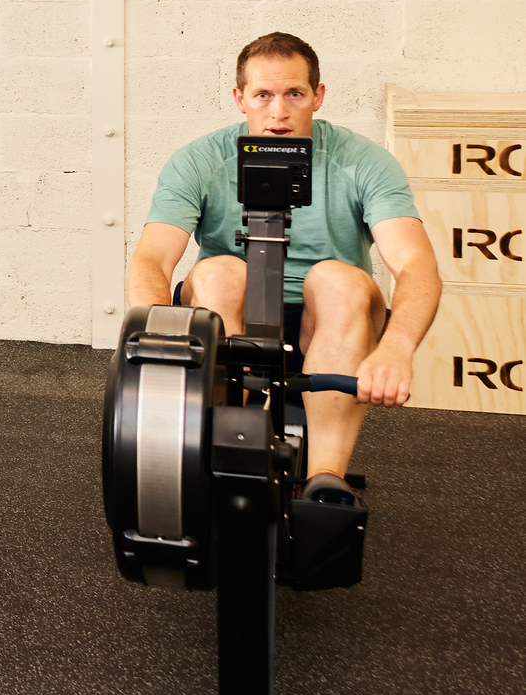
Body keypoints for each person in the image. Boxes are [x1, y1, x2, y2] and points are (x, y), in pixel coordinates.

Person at [126, 31, 436, 500]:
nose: (278, 111)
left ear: (318, 96)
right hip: (229, 313)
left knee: (340, 279)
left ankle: (324, 482)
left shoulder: (364, 161)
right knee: (218, 271)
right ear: (239, 98)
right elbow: (151, 257)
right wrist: (154, 332)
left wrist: (397, 348)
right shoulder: (199, 160)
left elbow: (416, 264)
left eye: (294, 93)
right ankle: (228, 453)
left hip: (331, 318)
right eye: (263, 95)